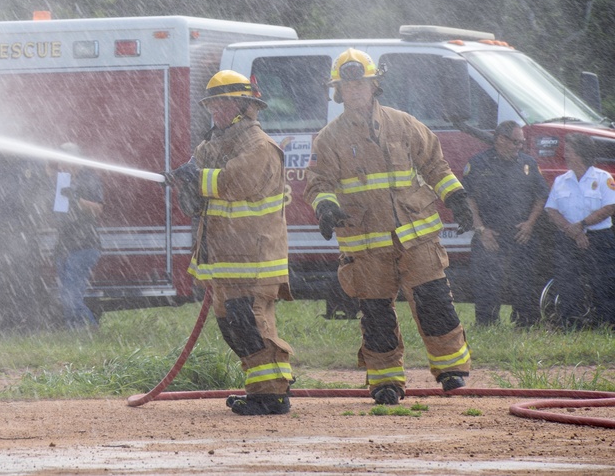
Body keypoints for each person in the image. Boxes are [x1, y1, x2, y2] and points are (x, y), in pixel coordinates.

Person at [303, 48, 473, 406]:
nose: (355, 91)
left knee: (434, 303)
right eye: (347, 86)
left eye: (361, 84)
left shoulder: (403, 123)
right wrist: (326, 207)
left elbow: (436, 166)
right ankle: (385, 382)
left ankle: (452, 372)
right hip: (366, 245)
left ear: (374, 84)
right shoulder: (329, 138)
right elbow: (319, 183)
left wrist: (456, 198)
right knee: (377, 315)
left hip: (417, 236)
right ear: (338, 91)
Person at [166, 70, 295, 416]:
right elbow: (199, 185)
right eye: (212, 105)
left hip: (256, 255)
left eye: (222, 103)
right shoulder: (211, 146)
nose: (215, 111)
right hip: (226, 257)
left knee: (250, 320)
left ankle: (273, 395)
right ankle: (262, 391)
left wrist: (197, 178)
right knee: (232, 324)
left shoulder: (259, 146)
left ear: (243, 106)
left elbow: (233, 182)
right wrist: (183, 179)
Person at [462, 121, 549, 327]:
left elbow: (541, 196)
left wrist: (530, 224)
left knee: (525, 280)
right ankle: (487, 323)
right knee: (487, 281)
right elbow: (468, 198)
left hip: (521, 234)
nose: (519, 147)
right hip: (490, 234)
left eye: (522, 143)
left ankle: (526, 322)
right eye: (516, 142)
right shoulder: (478, 163)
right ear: (501, 139)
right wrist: (481, 229)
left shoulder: (528, 164)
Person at [0, 150, 54, 334]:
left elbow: (45, 191)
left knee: (25, 278)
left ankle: (27, 325)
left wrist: (32, 215)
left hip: (24, 230)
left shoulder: (31, 161)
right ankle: (2, 324)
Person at [543, 133, 615, 328]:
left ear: (580, 153)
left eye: (569, 151)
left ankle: (607, 324)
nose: (565, 155)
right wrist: (572, 231)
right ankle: (572, 324)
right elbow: (551, 209)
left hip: (599, 239)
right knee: (568, 282)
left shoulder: (603, 178)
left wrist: (582, 225)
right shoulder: (561, 180)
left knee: (603, 282)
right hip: (568, 239)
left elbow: (610, 207)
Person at [52, 142, 105, 330]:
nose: (59, 166)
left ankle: (89, 328)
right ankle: (73, 329)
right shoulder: (61, 180)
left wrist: (76, 200)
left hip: (84, 246)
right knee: (65, 294)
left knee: (72, 295)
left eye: (62, 161)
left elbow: (98, 208)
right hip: (64, 245)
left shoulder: (88, 178)